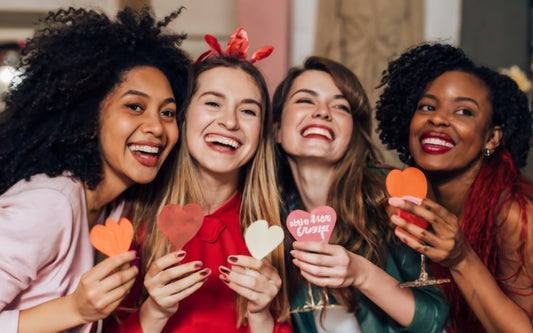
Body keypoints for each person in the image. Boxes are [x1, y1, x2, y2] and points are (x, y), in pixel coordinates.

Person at [0, 7, 191, 332]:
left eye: (168, 113)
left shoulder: (115, 207)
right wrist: (74, 309)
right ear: (89, 116)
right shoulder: (46, 204)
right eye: (135, 107)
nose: (157, 127)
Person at [106, 30, 291, 333]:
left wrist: (261, 316)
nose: (230, 121)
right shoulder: (131, 217)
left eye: (247, 110)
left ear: (262, 133)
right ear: (183, 116)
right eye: (213, 103)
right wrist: (155, 311)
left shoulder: (269, 232)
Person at [272, 56, 448, 333]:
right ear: (277, 130)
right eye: (306, 100)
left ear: (352, 132)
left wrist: (362, 273)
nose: (323, 112)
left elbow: (436, 319)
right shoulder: (274, 216)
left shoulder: (390, 196)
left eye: (340, 106)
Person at [376, 43, 533, 332]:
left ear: (492, 138)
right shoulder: (401, 196)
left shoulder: (515, 216)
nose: (438, 118)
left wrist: (461, 257)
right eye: (427, 106)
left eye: (463, 111)